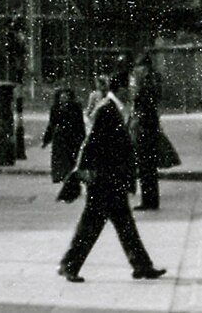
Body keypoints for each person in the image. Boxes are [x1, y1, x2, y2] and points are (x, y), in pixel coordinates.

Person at [58, 70, 166, 283]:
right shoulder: (106, 109)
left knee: (124, 225)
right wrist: (81, 170)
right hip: (103, 179)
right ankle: (70, 265)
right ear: (122, 88)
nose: (134, 90)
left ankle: (142, 266)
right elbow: (90, 142)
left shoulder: (117, 108)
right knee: (93, 225)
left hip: (113, 178)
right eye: (131, 86)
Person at [131, 52, 163, 211]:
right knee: (147, 167)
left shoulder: (146, 86)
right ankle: (150, 199)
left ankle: (149, 200)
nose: (137, 70)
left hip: (146, 128)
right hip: (149, 127)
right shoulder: (150, 83)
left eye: (139, 66)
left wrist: (137, 120)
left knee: (146, 166)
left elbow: (144, 108)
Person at [41, 86, 87, 183]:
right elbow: (51, 124)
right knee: (60, 158)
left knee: (72, 157)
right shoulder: (55, 108)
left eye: (66, 97)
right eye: (62, 97)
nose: (64, 99)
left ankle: (70, 176)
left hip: (73, 135)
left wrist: (82, 137)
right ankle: (61, 176)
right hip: (60, 137)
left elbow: (80, 122)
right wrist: (46, 140)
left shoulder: (76, 107)